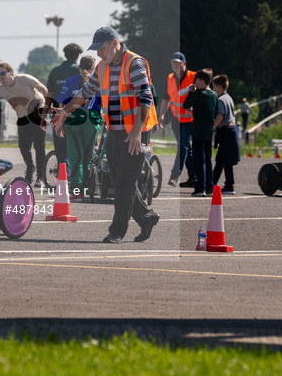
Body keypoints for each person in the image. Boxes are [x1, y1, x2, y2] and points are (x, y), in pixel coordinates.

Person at [52, 26, 160, 244]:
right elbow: (85, 93)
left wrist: (137, 133)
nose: (98, 54)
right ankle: (147, 218)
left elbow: (145, 99)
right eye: (96, 51)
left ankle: (117, 231)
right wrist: (65, 111)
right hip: (114, 133)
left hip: (135, 133)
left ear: (114, 43)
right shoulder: (102, 67)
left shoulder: (134, 64)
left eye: (101, 49)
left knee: (124, 184)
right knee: (122, 181)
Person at [57, 55, 102, 200]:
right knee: (88, 157)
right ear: (94, 69)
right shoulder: (97, 82)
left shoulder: (70, 81)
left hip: (73, 119)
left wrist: (60, 123)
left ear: (79, 67)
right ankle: (89, 187)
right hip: (92, 119)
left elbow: (62, 104)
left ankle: (77, 191)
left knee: (75, 156)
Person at [157, 52, 196, 188]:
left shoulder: (194, 77)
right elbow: (166, 98)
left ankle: (174, 176)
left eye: (178, 63)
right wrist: (161, 115)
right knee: (186, 149)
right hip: (176, 119)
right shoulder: (170, 78)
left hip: (190, 120)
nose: (175, 65)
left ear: (184, 63)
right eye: (173, 63)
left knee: (182, 146)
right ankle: (194, 178)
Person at [44, 43, 83, 168]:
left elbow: (49, 94)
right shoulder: (81, 70)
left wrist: (45, 113)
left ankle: (63, 176)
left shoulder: (55, 71)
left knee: (60, 147)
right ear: (78, 56)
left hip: (57, 113)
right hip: (77, 113)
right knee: (76, 146)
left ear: (65, 54)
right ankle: (75, 175)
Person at [182, 68, 217, 197]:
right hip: (209, 131)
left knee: (199, 161)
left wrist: (191, 92)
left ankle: (199, 188)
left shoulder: (199, 94)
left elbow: (186, 105)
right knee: (208, 160)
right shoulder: (213, 95)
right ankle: (209, 187)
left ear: (201, 80)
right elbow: (216, 111)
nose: (195, 82)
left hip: (197, 131)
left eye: (196, 80)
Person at [211, 75, 240, 194]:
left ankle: (229, 185)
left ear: (218, 86)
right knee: (222, 159)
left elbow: (220, 116)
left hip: (226, 131)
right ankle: (213, 182)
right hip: (231, 130)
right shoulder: (228, 97)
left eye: (214, 87)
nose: (213, 89)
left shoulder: (221, 100)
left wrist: (212, 128)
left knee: (225, 160)